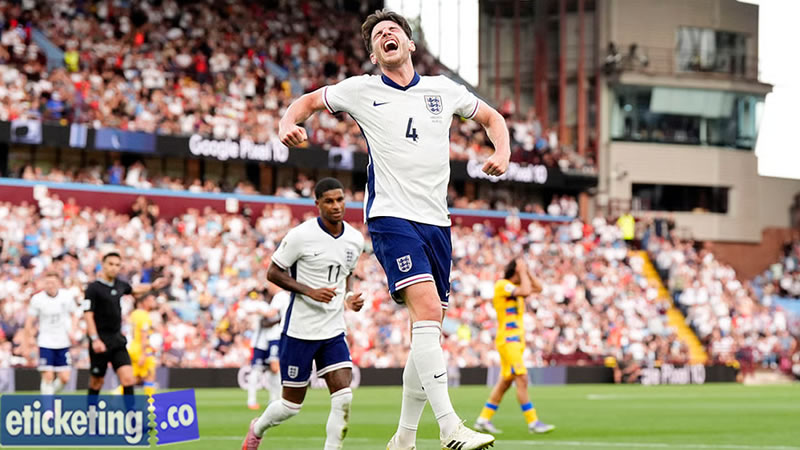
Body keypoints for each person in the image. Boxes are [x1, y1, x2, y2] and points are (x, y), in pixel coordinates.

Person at [277, 9, 510, 450]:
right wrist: (288, 123)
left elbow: (493, 118)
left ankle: (404, 438)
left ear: (409, 44)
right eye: (378, 35)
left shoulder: (443, 90)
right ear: (373, 54)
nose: (387, 35)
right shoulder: (361, 89)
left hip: (437, 223)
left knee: (428, 327)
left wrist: (503, 153)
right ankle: (449, 427)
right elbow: (305, 104)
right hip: (391, 216)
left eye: (393, 30)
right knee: (427, 311)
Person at [243, 178, 366, 450]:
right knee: (290, 406)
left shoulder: (355, 239)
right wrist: (309, 291)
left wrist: (349, 298)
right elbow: (273, 273)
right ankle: (258, 428)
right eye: (329, 201)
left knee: (344, 398)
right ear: (317, 203)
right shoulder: (301, 235)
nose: (336, 206)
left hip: (333, 330)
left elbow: (347, 276)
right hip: (300, 331)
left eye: (340, 200)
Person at [474, 259, 555, 434]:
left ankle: (483, 419)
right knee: (522, 378)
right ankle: (533, 422)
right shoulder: (503, 285)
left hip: (516, 341)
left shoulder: (515, 287)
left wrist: (527, 271)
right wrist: (523, 271)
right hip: (508, 340)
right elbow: (525, 291)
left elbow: (539, 288)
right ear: (516, 271)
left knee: (505, 382)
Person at [83, 251, 167, 400]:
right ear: (103, 265)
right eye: (111, 264)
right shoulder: (93, 288)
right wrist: (95, 339)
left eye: (117, 265)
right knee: (97, 382)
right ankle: (91, 413)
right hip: (100, 339)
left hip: (117, 340)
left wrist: (152, 286)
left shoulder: (119, 285)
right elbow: (88, 315)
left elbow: (134, 289)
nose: (114, 268)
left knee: (128, 379)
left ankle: (131, 414)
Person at [25, 271, 79, 395]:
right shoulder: (37, 299)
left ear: (59, 283)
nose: (50, 285)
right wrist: (30, 339)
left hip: (63, 342)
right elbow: (29, 321)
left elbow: (75, 314)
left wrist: (73, 330)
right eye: (47, 283)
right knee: (48, 376)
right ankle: (48, 406)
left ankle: (48, 395)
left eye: (53, 282)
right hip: (45, 342)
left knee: (65, 378)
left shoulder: (67, 296)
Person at [246, 285, 290, 410]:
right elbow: (264, 322)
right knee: (259, 370)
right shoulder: (261, 305)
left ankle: (275, 399)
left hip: (272, 339)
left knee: (274, 369)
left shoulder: (275, 300)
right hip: (260, 342)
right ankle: (253, 400)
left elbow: (269, 317)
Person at [128, 294, 158, 397]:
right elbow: (143, 335)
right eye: (152, 299)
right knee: (150, 375)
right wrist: (144, 354)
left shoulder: (134, 314)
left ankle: (115, 396)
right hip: (141, 349)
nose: (154, 302)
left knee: (135, 378)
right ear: (144, 301)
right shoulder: (144, 315)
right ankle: (151, 402)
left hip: (134, 347)